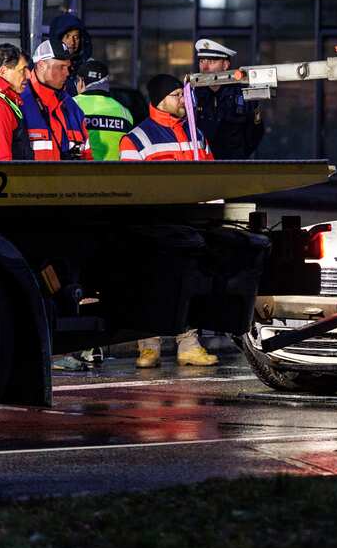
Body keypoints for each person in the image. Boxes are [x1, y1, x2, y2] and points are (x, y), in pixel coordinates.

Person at [121, 74, 218, 368]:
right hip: (153, 225)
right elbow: (130, 189)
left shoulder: (196, 134)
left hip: (190, 223)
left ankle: (188, 343)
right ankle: (149, 345)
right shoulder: (136, 138)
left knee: (188, 283)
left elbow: (213, 177)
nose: (183, 101)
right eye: (177, 95)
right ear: (161, 99)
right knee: (152, 283)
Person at [192, 38, 264, 159]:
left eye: (211, 62)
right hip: (201, 165)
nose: (204, 67)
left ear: (225, 65)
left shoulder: (242, 94)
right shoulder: (193, 95)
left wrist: (239, 155)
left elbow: (255, 131)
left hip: (233, 165)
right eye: (202, 61)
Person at [23, 39, 93, 161]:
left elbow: (87, 158)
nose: (67, 73)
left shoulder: (72, 107)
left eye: (68, 67)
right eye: (61, 67)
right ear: (41, 65)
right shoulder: (20, 102)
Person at [73, 60, 133, 161]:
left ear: (81, 82)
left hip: (83, 173)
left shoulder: (71, 105)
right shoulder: (125, 112)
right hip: (115, 173)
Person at [48, 12, 92, 94]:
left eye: (76, 37)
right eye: (67, 36)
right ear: (57, 38)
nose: (72, 42)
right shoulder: (44, 65)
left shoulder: (89, 67)